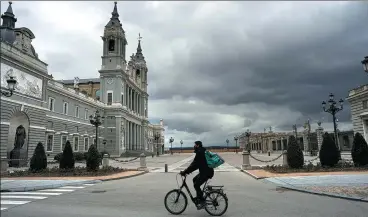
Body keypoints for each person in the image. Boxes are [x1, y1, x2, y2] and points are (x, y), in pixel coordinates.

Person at [180, 141, 214, 210]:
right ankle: (199, 197)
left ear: (198, 145)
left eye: (195, 145)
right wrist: (186, 171)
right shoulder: (202, 151)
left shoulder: (200, 152)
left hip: (206, 172)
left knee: (196, 185)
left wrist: (185, 172)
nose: (194, 146)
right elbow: (194, 164)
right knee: (194, 180)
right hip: (206, 171)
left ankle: (202, 201)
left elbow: (194, 165)